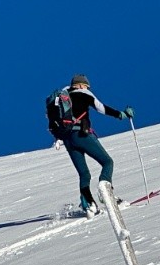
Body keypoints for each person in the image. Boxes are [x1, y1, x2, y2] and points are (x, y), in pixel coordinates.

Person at [46, 74, 133, 214]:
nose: (87, 88)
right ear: (80, 85)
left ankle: (88, 204)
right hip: (82, 134)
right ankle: (105, 193)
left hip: (68, 140)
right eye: (86, 86)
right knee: (107, 162)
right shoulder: (84, 93)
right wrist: (121, 115)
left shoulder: (62, 98)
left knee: (84, 174)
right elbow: (101, 108)